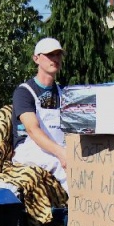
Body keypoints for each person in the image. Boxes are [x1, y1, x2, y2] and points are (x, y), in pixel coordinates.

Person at [11, 37, 68, 193]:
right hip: (30, 149)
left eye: (58, 54)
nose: (55, 59)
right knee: (67, 170)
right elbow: (33, 131)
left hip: (57, 147)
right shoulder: (24, 92)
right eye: (50, 55)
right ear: (36, 59)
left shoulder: (64, 93)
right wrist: (61, 153)